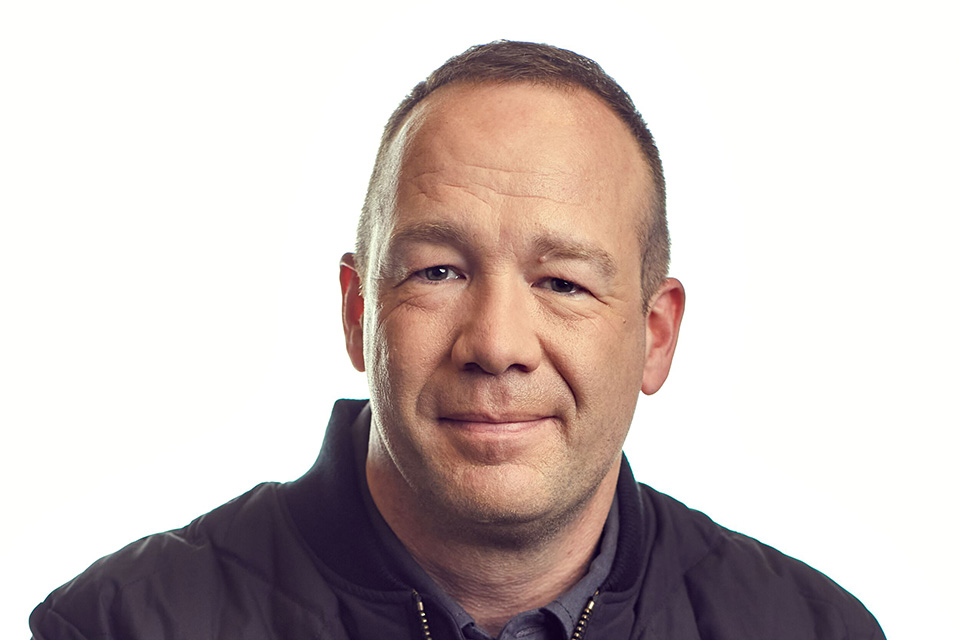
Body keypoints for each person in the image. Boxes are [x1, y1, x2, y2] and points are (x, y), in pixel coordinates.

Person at [29, 40, 885, 640]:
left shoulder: (816, 631)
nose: (498, 344)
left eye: (563, 283)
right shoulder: (121, 625)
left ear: (655, 337)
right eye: (438, 271)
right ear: (358, 311)